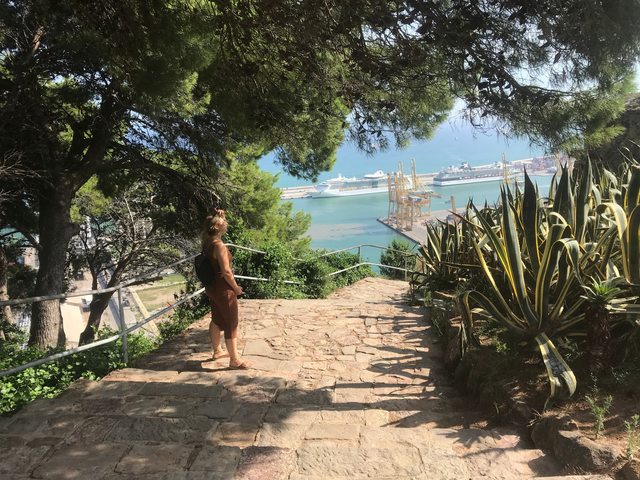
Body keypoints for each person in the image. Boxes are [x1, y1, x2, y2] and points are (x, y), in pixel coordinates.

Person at [200, 209, 252, 369]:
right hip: (223, 288)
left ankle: (217, 351)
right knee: (231, 323)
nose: (226, 223)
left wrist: (220, 216)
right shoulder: (220, 246)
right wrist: (236, 288)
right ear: (216, 227)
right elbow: (226, 272)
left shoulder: (208, 242)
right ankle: (234, 360)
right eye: (223, 222)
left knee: (216, 319)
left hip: (212, 287)